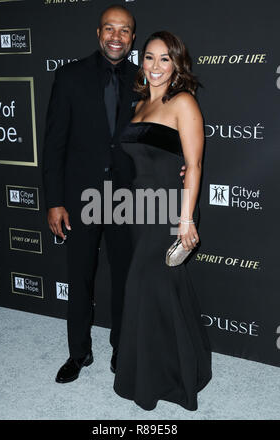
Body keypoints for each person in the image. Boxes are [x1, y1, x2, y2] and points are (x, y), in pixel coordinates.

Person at [113, 31, 212, 411]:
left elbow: (195, 164)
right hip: (138, 210)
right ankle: (183, 366)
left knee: (145, 288)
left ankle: (165, 378)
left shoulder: (182, 102)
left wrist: (186, 220)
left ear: (176, 64)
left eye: (164, 59)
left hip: (170, 210)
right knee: (162, 293)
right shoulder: (139, 105)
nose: (155, 67)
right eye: (149, 58)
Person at [42, 5, 139, 383]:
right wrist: (54, 201)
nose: (116, 37)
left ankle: (122, 348)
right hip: (79, 198)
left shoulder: (144, 78)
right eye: (110, 29)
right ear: (99, 33)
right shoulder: (69, 77)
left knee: (124, 280)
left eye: (125, 31)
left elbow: (156, 134)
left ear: (132, 37)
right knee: (79, 277)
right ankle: (79, 353)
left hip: (126, 199)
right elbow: (53, 146)